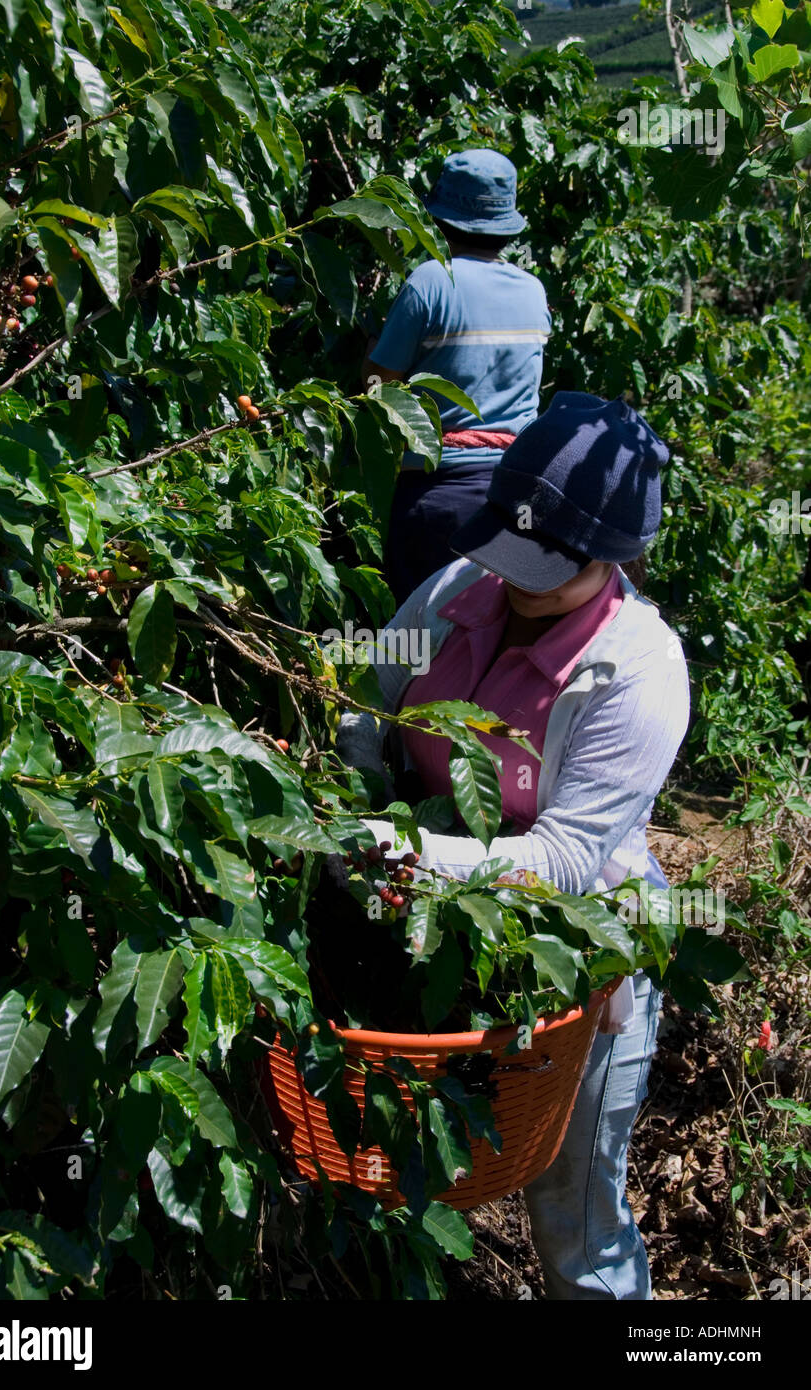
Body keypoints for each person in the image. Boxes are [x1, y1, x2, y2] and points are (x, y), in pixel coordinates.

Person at [337, 391, 690, 1299]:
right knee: (396, 1151)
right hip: (420, 915)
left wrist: (402, 853)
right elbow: (368, 699)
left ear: (614, 559)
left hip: (577, 953)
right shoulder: (459, 590)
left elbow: (567, 861)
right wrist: (361, 803)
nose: (513, 577)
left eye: (544, 566)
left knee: (573, 1215)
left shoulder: (638, 671)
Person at [361, 148, 551, 606]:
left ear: (439, 222)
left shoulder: (429, 282)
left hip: (437, 496)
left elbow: (375, 391)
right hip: (513, 497)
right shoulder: (533, 290)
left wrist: (369, 340)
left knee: (420, 645)